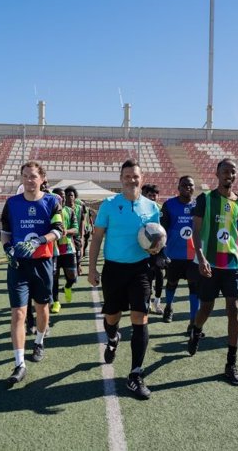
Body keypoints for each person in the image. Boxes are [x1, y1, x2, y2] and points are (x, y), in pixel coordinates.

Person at [88, 159, 161, 400]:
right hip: (113, 270)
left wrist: (157, 251)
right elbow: (97, 237)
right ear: (121, 179)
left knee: (140, 318)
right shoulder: (108, 205)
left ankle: (135, 374)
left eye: (135, 176)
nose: (132, 180)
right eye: (127, 176)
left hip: (140, 270)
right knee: (112, 317)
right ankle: (113, 338)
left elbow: (157, 238)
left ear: (141, 178)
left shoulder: (152, 207)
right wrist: (91, 268)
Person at [0, 161, 63, 385]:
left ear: (42, 178)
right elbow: (6, 233)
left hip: (43, 263)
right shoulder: (11, 203)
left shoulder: (52, 201)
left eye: (33, 176)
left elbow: (58, 230)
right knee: (18, 313)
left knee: (42, 307)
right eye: (25, 176)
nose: (29, 180)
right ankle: (19, 364)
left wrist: (39, 240)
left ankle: (38, 341)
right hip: (18, 264)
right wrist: (7, 249)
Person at [188, 159, 238, 386]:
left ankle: (231, 363)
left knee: (234, 308)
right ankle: (196, 329)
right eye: (225, 171)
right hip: (209, 263)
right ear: (217, 174)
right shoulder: (205, 199)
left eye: (232, 171)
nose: (229, 175)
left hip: (232, 263)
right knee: (207, 307)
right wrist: (201, 258)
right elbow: (197, 230)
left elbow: (234, 231)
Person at [160, 176, 198, 328]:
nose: (188, 187)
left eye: (191, 185)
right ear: (178, 187)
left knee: (194, 287)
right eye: (184, 185)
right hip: (174, 254)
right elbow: (162, 230)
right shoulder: (169, 205)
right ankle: (168, 307)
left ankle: (193, 321)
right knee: (171, 283)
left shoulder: (199, 205)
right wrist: (162, 251)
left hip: (194, 255)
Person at [51, 188, 79, 313]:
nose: (61, 198)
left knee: (72, 276)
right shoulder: (49, 212)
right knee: (54, 277)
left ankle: (68, 286)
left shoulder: (69, 211)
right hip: (54, 249)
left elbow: (76, 229)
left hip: (68, 248)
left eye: (63, 196)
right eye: (58, 195)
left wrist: (66, 232)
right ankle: (56, 302)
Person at [142, 183, 167, 314]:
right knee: (147, 275)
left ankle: (157, 302)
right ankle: (147, 302)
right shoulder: (141, 209)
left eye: (154, 195)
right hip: (144, 248)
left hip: (159, 248)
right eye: (149, 195)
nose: (152, 197)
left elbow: (165, 229)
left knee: (159, 274)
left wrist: (162, 249)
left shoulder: (161, 209)